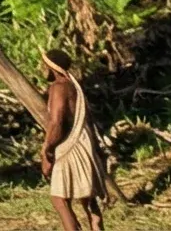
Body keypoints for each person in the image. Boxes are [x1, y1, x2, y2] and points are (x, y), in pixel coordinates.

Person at [40, 49, 107, 231]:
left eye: (43, 65)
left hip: (70, 146)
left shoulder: (58, 87)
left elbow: (57, 122)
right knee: (87, 196)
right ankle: (96, 224)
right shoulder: (74, 86)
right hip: (84, 142)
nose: (41, 68)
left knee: (59, 199)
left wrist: (46, 150)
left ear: (52, 68)